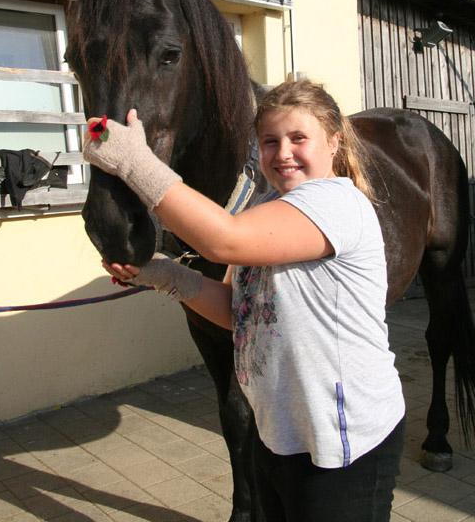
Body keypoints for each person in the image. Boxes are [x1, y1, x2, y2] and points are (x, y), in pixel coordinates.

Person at [83, 79, 405, 522]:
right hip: (279, 434)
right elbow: (244, 315)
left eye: (298, 138)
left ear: (334, 142)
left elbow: (224, 240)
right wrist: (166, 275)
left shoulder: (336, 202)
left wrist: (134, 161)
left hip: (342, 444)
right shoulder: (268, 207)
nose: (283, 153)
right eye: (270, 141)